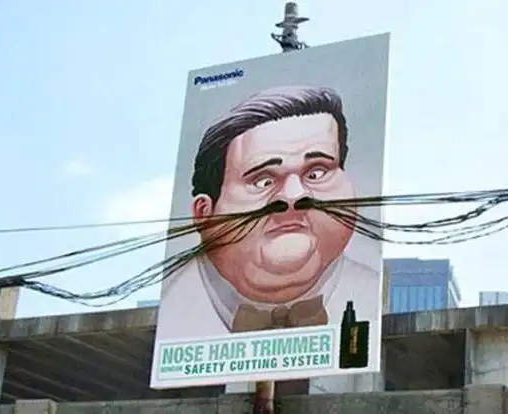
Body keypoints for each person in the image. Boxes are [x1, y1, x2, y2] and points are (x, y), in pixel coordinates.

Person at [157, 85, 380, 341]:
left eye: (316, 172)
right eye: (263, 180)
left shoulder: (369, 296)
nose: (294, 195)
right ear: (203, 213)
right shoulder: (175, 307)